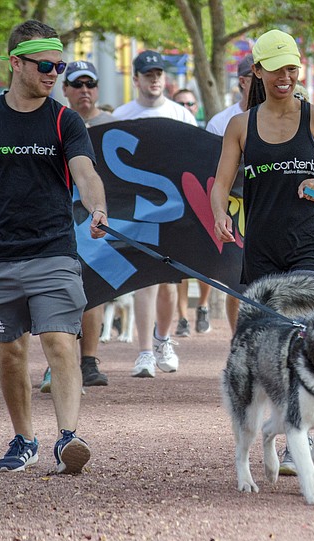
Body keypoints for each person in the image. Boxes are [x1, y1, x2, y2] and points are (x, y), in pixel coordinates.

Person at [0, 20, 109, 474]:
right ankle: (24, 439)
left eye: (60, 65)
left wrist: (96, 208)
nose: (55, 74)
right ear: (16, 63)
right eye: (46, 65)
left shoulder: (64, 119)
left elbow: (86, 173)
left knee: (58, 339)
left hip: (53, 249)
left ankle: (68, 436)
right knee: (10, 352)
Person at [210, 29, 314, 475]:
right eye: (277, 69)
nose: (286, 77)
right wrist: (220, 215)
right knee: (267, 346)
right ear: (258, 72)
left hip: (311, 245)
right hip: (263, 251)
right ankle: (269, 434)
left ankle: (298, 438)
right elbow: (220, 184)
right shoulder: (240, 126)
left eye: (292, 68)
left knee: (309, 340)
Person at [113, 50, 197, 378]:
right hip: (136, 210)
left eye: (158, 74)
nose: (154, 80)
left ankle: (163, 339)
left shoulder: (182, 115)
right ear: (136, 79)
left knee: (168, 281)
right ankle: (145, 351)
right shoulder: (122, 115)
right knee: (144, 279)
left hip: (175, 210)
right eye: (148, 75)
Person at [38, 60, 115, 394]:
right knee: (56, 291)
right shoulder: (52, 122)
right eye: (77, 84)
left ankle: (89, 360)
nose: (85, 91)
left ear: (97, 89)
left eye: (90, 84)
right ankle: (57, 362)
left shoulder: (116, 124)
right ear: (65, 89)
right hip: (54, 220)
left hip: (99, 218)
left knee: (92, 286)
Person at [203, 55, 256, 335]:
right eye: (255, 74)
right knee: (238, 281)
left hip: (271, 208)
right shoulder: (221, 122)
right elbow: (213, 175)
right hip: (236, 209)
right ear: (243, 81)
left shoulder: (280, 118)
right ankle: (239, 343)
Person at [171, 87, 215, 336]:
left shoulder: (204, 134)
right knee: (179, 263)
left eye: (189, 104)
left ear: (195, 107)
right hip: (176, 208)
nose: (185, 108)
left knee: (204, 262)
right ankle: (182, 317)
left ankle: (204, 307)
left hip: (202, 205)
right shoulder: (168, 138)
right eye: (180, 104)